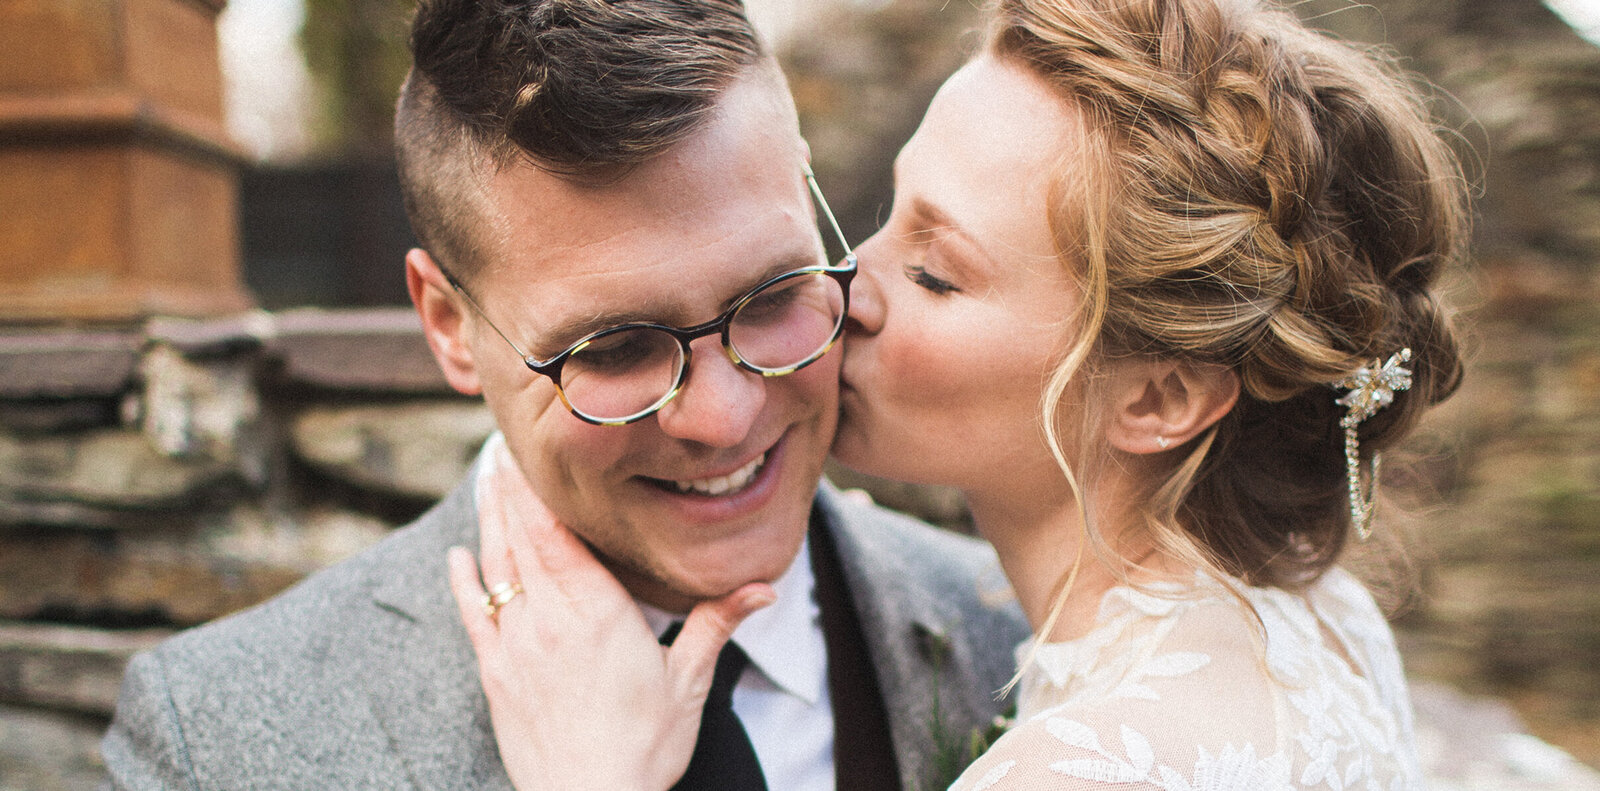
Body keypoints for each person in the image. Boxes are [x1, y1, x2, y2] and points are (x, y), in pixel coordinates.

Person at [468, 0, 1470, 788]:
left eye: (936, 273)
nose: (846, 284)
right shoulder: (1322, 623)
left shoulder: (1085, 769)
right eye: (884, 218)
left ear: (1158, 396)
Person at [97, 1, 1026, 788]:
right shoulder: (210, 741)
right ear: (449, 325)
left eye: (771, 296)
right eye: (615, 348)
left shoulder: (1022, 639)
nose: (725, 416)